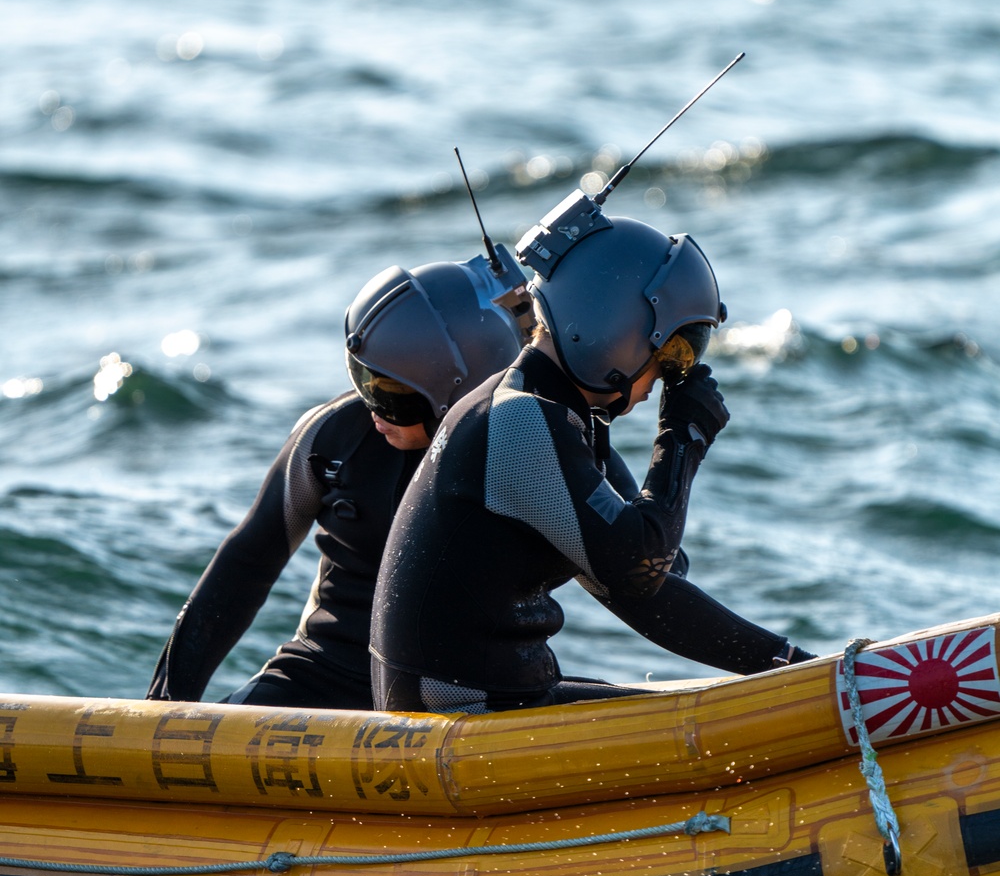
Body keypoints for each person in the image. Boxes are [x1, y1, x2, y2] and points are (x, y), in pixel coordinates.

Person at [371, 187, 813, 713]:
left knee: (719, 705)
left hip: (486, 697)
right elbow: (638, 569)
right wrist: (682, 438)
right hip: (453, 716)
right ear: (615, 326)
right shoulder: (518, 420)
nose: (677, 373)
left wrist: (792, 666)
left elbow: (654, 586)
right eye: (675, 350)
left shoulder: (550, 415)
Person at [146, 245, 529, 709]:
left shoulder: (530, 451)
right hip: (320, 673)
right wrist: (165, 708)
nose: (373, 412)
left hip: (472, 692)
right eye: (365, 380)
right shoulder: (331, 435)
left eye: (392, 397)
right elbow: (248, 560)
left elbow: (627, 563)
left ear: (458, 393)